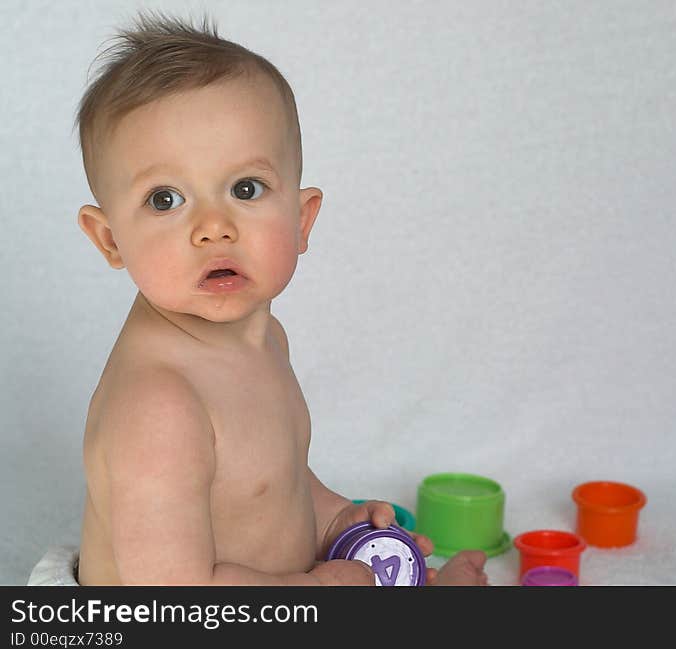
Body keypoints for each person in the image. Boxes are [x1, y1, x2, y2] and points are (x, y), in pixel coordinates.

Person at [72, 11, 489, 586]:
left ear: (301, 219)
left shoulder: (266, 339)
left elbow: (273, 484)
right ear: (110, 238)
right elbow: (171, 605)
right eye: (165, 199)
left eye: (246, 189)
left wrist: (333, 518)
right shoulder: (159, 406)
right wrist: (316, 589)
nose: (213, 226)